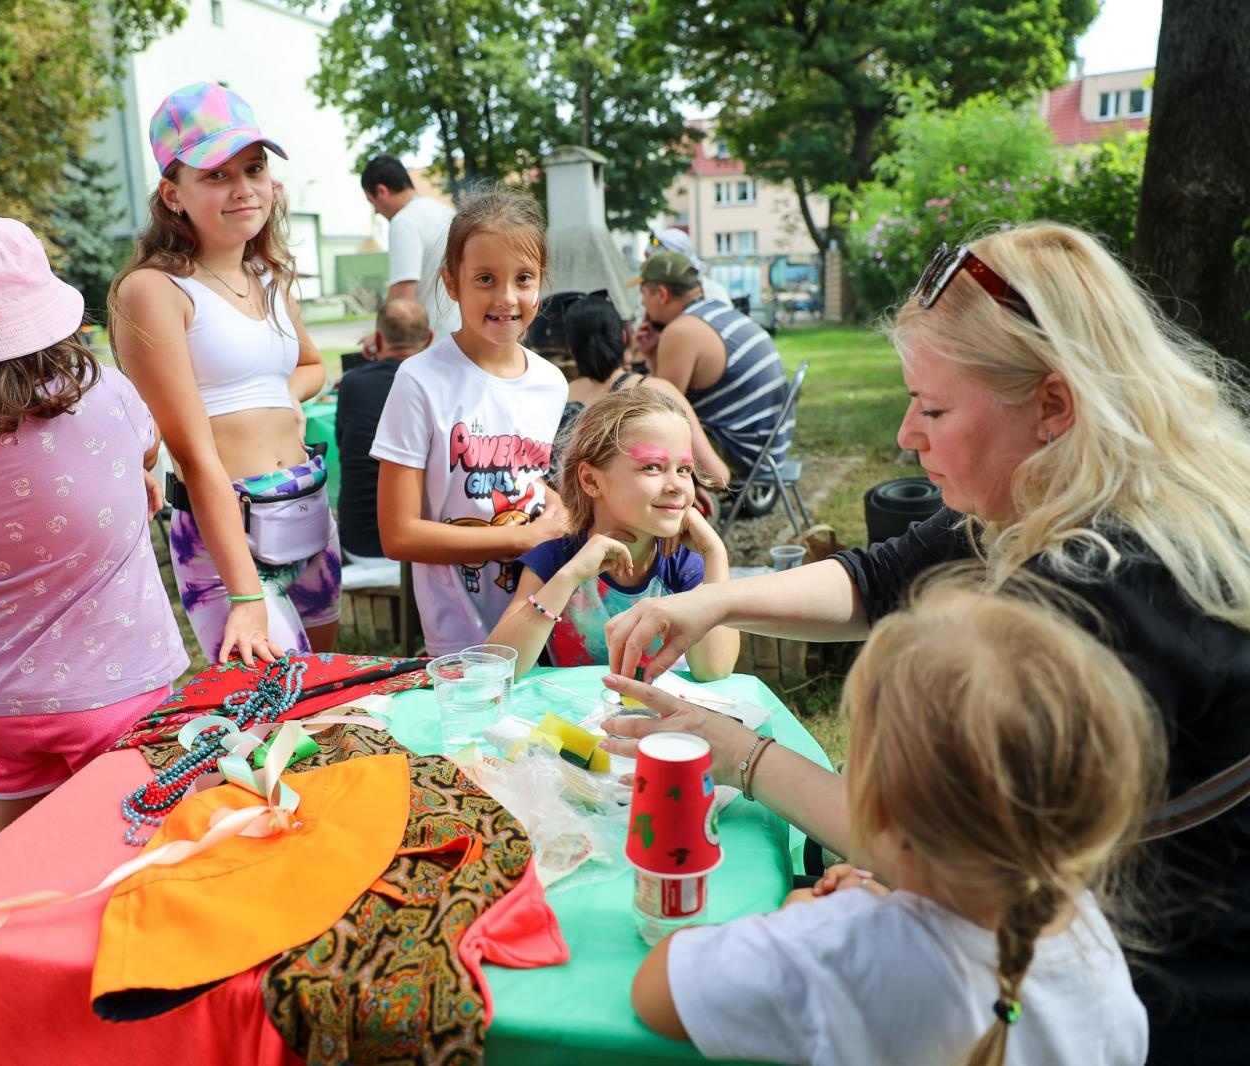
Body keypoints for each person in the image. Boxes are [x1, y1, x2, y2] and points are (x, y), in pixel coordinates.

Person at [603, 223, 1250, 1062]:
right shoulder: (1079, 481)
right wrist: (714, 604)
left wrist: (743, 756)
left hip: (1167, 998)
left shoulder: (1103, 591)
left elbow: (942, 841)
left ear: (1054, 404)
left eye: (935, 408)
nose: (908, 433)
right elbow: (882, 578)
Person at [628, 580, 1159, 1065]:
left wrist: (802, 909)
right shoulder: (1092, 941)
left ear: (875, 804)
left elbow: (656, 993)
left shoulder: (837, 945)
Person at [0, 216, 189, 834]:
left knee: (26, 887)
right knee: (133, 879)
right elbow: (144, 452)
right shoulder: (108, 395)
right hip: (120, 690)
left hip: (1, 705)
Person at [108, 82, 338, 664]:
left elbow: (311, 365)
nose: (243, 190)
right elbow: (195, 454)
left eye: (254, 169)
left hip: (307, 511)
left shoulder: (271, 278)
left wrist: (287, 395)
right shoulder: (154, 291)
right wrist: (244, 590)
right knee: (281, 713)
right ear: (173, 193)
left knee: (328, 696)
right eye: (216, 175)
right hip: (227, 539)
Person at [371, 186, 570, 656]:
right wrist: (523, 536)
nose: (506, 297)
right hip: (457, 632)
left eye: (523, 278)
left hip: (539, 615)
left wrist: (557, 507)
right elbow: (398, 533)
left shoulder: (551, 383)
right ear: (451, 283)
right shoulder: (419, 381)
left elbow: (527, 479)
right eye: (485, 278)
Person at [489, 388, 738, 680]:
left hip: (660, 722)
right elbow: (498, 666)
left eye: (684, 469)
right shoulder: (554, 562)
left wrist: (715, 553)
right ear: (591, 480)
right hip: (572, 720)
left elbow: (715, 669)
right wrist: (570, 576)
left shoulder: (683, 567)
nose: (677, 486)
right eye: (653, 467)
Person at [556, 294, 730, 496]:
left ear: (570, 349)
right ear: (623, 336)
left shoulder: (560, 394)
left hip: (570, 510)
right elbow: (718, 476)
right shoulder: (656, 390)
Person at [637, 250, 792, 475]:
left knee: (642, 438)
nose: (643, 304)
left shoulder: (681, 330)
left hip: (742, 453)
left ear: (661, 294)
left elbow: (660, 409)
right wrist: (652, 354)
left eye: (643, 295)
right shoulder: (717, 312)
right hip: (770, 446)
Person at [335, 298, 432, 562]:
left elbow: (344, 445)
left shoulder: (352, 383)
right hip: (427, 547)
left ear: (377, 341)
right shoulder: (439, 384)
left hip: (359, 544)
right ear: (430, 339)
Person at [361, 154, 461, 337]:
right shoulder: (446, 212)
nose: (376, 211)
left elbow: (403, 293)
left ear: (382, 191)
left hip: (433, 341)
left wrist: (379, 337)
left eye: (371, 202)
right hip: (462, 333)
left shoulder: (404, 222)